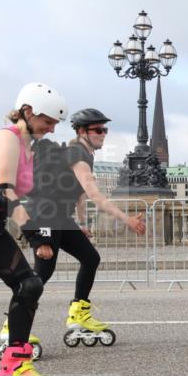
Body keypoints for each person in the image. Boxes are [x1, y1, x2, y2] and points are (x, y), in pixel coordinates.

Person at [21, 108, 146, 347]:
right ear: (81, 131)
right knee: (42, 273)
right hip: (43, 216)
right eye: (98, 130)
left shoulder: (84, 155)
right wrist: (126, 219)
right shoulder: (77, 153)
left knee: (90, 258)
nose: (103, 134)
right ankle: (13, 325)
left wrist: (81, 224)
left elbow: (79, 195)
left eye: (105, 129)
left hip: (59, 218)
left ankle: (78, 314)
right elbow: (95, 195)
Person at [0, 83, 66, 376]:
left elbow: (25, 199)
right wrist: (34, 235)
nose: (52, 128)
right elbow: (4, 194)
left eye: (56, 123)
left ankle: (14, 368)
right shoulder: (6, 138)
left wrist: (40, 235)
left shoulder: (29, 150)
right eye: (49, 120)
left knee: (29, 286)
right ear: (27, 111)